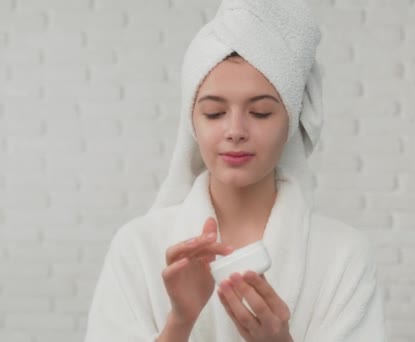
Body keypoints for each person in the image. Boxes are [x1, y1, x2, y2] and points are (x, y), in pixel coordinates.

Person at [84, 1, 386, 341]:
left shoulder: (343, 255)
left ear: (291, 121)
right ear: (191, 123)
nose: (235, 130)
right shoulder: (138, 246)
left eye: (260, 113)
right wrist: (179, 323)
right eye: (214, 113)